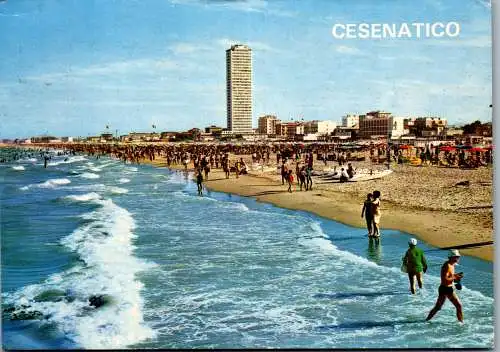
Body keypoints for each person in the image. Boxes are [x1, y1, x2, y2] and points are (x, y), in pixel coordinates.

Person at [426, 249, 464, 322]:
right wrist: (455, 277)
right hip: (446, 289)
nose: (458, 258)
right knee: (458, 306)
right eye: (456, 257)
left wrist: (456, 276)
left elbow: (450, 276)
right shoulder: (447, 265)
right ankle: (461, 323)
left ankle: (426, 320)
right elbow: (445, 279)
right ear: (451, 257)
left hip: (445, 288)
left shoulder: (452, 265)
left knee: (438, 307)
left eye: (458, 257)